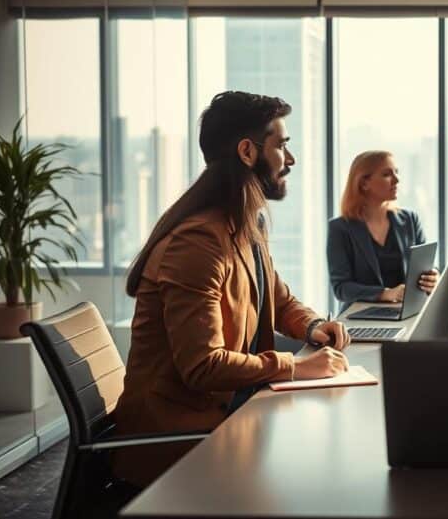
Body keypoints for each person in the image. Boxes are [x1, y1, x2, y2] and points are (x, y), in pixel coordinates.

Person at [114, 91, 352, 488]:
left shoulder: (244, 224)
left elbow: (276, 296)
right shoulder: (199, 242)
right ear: (247, 151)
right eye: (282, 146)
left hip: (227, 413)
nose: (290, 160)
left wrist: (312, 326)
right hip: (180, 440)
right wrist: (296, 366)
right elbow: (203, 366)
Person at [327, 151, 438, 312]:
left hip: (406, 313)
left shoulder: (410, 220)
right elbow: (341, 288)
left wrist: (432, 278)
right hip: (360, 316)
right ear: (364, 183)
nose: (397, 180)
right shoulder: (340, 228)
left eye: (397, 172)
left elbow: (426, 269)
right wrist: (386, 294)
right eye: (387, 174)